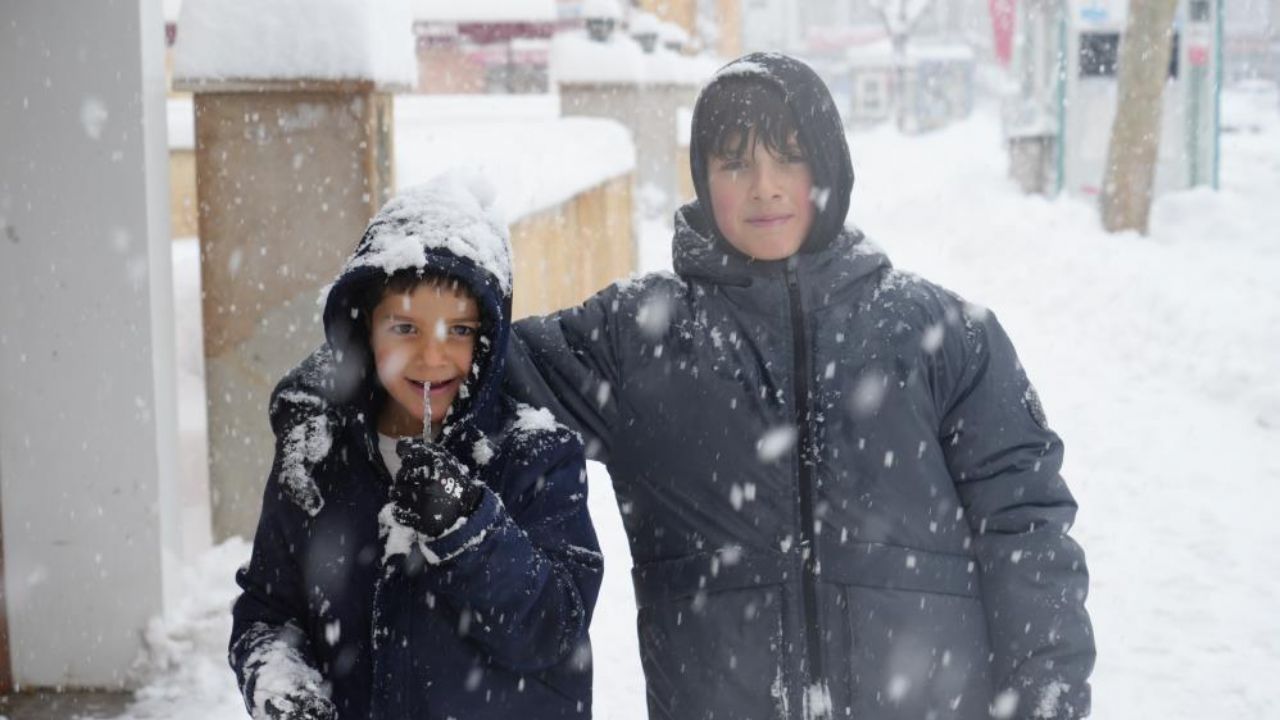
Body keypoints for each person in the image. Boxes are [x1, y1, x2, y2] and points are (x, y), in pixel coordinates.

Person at [277, 53, 1095, 720]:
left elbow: (1027, 529)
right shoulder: (639, 337)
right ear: (703, 176)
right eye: (735, 162)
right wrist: (333, 382)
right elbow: (469, 360)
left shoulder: (945, 335)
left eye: (788, 156)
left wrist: (1047, 697)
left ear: (828, 166)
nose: (765, 185)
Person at [229, 172, 603, 720]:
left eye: (460, 330)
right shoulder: (317, 453)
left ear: (490, 339)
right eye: (405, 328)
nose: (432, 357)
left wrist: (470, 529)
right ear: (365, 330)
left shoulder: (534, 456)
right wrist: (280, 682)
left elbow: (554, 629)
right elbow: (270, 613)